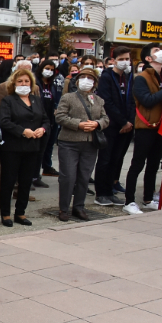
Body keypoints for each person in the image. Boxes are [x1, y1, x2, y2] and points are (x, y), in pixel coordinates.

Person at [123, 48, 162, 214]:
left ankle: (148, 199)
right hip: (146, 127)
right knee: (137, 164)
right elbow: (147, 100)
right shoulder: (142, 78)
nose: (161, 52)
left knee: (153, 165)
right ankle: (129, 201)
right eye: (156, 50)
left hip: (161, 127)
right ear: (149, 58)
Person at [55, 69, 108, 221]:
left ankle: (79, 207)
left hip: (90, 143)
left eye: (90, 78)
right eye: (83, 77)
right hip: (69, 142)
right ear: (77, 81)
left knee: (84, 177)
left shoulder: (98, 100)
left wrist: (97, 124)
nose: (86, 80)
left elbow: (105, 118)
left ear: (95, 83)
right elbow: (60, 116)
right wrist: (78, 124)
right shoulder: (68, 97)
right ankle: (64, 208)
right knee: (68, 177)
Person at [0, 69, 49, 227]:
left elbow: (46, 120)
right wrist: (22, 131)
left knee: (26, 182)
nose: (23, 84)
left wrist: (43, 129)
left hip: (32, 147)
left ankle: (20, 212)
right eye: (20, 81)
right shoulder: (8, 100)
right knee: (8, 182)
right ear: (14, 83)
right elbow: (4, 121)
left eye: (26, 81)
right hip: (12, 147)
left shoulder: (36, 100)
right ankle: (5, 214)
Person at [94, 47, 134, 206]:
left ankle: (110, 191)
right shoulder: (106, 77)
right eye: (122, 59)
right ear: (113, 60)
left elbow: (132, 101)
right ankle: (101, 193)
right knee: (105, 159)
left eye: (127, 59)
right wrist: (122, 121)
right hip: (111, 125)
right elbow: (107, 102)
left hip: (126, 126)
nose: (125, 62)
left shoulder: (128, 77)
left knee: (116, 160)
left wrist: (129, 121)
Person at [36, 59, 65, 179]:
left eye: (52, 70)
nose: (49, 71)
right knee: (38, 148)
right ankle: (34, 175)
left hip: (51, 118)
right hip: (39, 119)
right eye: (47, 68)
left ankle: (47, 167)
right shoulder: (36, 82)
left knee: (49, 145)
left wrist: (56, 108)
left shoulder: (52, 84)